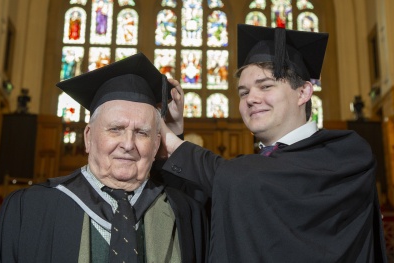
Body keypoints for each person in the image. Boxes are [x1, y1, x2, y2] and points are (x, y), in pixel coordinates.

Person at [160, 25, 388, 262]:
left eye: (266, 86)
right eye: (243, 92)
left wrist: (169, 140)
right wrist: (176, 132)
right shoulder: (246, 171)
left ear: (303, 92)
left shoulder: (347, 155)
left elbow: (254, 180)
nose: (251, 99)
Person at [0, 53, 208, 263]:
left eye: (142, 132)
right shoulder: (30, 210)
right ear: (88, 137)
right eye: (115, 129)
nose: (127, 144)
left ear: (156, 145)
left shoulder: (186, 215)